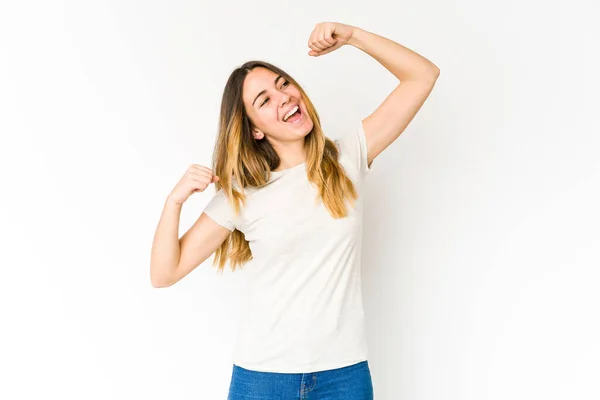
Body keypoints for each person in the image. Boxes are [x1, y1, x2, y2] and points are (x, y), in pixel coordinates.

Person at [150, 21, 439, 400]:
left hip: (344, 376)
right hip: (263, 378)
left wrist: (352, 37)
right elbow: (164, 273)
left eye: (283, 84)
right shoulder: (243, 194)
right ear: (254, 130)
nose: (283, 97)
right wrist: (174, 202)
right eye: (264, 100)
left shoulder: (346, 157)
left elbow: (422, 76)